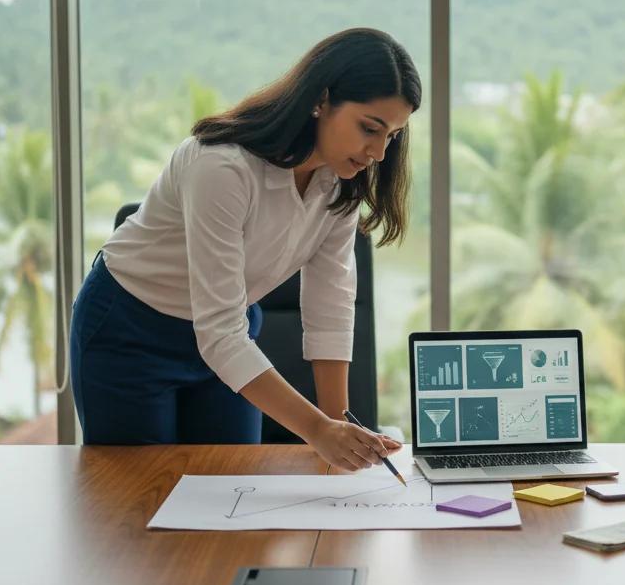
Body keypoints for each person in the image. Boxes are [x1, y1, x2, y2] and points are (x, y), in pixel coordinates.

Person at [70, 28, 415, 472]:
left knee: (234, 493)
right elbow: (219, 332)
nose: (379, 153)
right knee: (139, 504)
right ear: (321, 100)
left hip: (229, 337)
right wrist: (317, 431)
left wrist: (339, 428)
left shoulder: (339, 185)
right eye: (370, 128)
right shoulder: (221, 166)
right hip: (131, 331)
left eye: (393, 135)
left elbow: (329, 306)